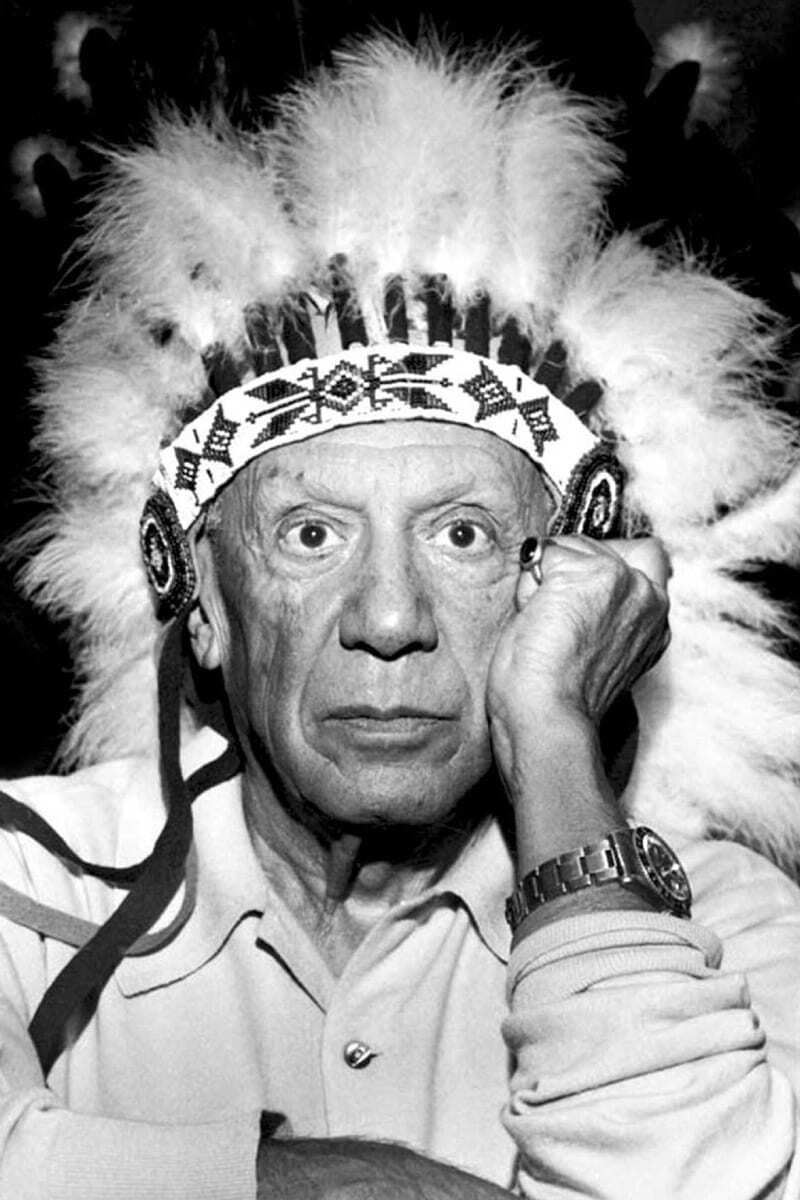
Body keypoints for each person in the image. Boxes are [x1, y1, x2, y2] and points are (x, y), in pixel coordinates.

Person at [1, 34, 799, 1200]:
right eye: (310, 534)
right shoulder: (25, 882)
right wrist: (316, 1185)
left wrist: (552, 739)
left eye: (462, 535)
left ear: (558, 589)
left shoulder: (721, 924)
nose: (387, 618)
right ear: (203, 603)